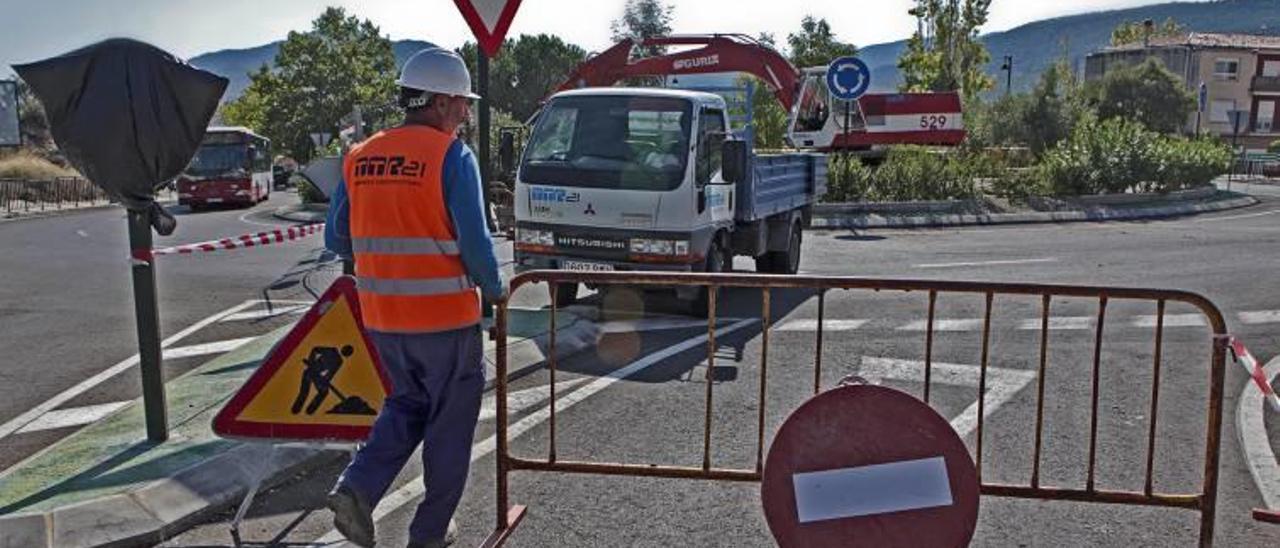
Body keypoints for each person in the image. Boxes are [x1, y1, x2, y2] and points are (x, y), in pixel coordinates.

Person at [323, 46, 504, 548]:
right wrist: (498, 290)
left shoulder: (359, 157)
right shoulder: (451, 156)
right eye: (463, 103)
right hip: (445, 323)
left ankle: (356, 489)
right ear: (443, 101)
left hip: (384, 322)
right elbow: (476, 244)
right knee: (449, 428)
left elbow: (336, 239)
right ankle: (428, 534)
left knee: (403, 408)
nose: (466, 113)